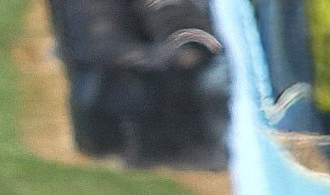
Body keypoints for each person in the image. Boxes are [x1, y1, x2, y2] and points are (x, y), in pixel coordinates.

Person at [50, 0, 230, 168]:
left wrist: (186, 47)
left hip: (144, 86)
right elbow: (103, 45)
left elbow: (179, 26)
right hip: (117, 92)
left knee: (212, 78)